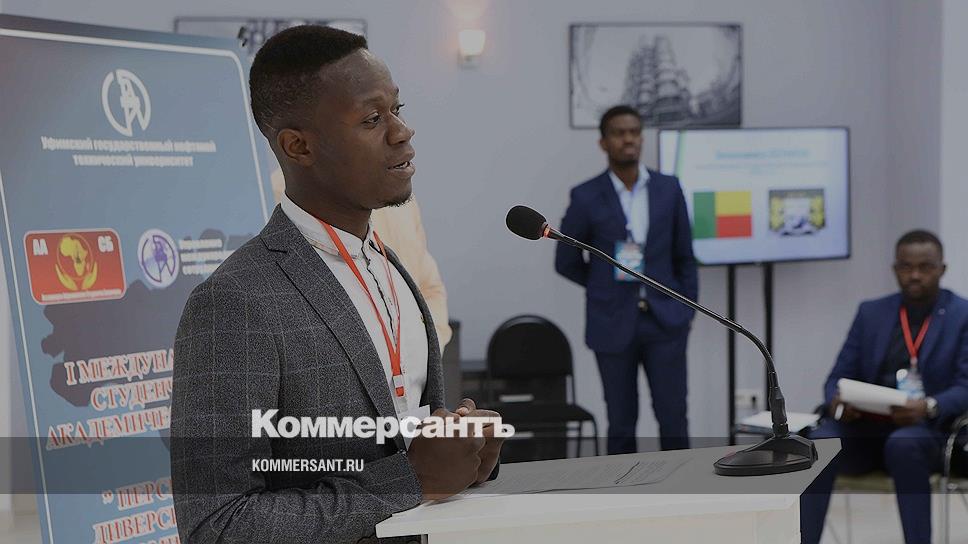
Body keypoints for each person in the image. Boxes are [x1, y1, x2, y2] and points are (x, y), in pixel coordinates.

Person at [170, 25, 503, 543]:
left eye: (397, 109)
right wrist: (411, 480)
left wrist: (463, 458)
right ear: (298, 146)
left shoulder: (391, 267)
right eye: (372, 119)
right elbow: (217, 525)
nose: (402, 132)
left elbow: (411, 448)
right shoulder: (234, 302)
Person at [801, 230, 968, 544]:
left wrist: (929, 406)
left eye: (925, 267)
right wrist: (838, 402)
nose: (914, 275)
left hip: (925, 431)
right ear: (895, 269)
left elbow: (965, 386)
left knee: (904, 444)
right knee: (820, 442)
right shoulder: (871, 312)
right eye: (906, 267)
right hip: (866, 427)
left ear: (942, 269)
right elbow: (837, 377)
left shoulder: (962, 315)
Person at [554, 105, 698, 453]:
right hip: (611, 321)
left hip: (666, 321)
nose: (628, 139)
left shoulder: (668, 189)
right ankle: (626, 488)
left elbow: (685, 257)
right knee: (620, 423)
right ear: (603, 142)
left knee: (673, 418)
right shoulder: (585, 196)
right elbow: (566, 261)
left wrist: (686, 311)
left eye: (634, 132)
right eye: (619, 133)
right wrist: (603, 287)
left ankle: (684, 485)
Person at [271, 169, 453, 349]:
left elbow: (430, 288)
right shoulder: (285, 194)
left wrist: (423, 353)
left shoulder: (399, 196)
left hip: (414, 363)